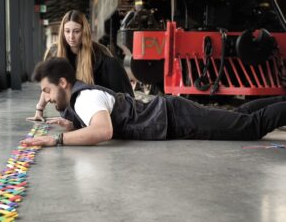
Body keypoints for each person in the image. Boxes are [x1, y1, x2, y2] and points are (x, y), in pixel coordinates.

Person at [21, 58, 286, 147]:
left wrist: (56, 140)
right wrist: (73, 125)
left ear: (64, 83)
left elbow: (103, 131)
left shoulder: (83, 99)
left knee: (249, 127)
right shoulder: (81, 100)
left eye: (47, 90)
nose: (47, 97)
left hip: (175, 118)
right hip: (171, 113)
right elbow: (100, 121)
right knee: (240, 116)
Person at [27, 10, 134, 121]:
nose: (71, 37)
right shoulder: (54, 52)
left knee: (112, 64)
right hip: (71, 109)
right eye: (67, 31)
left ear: (84, 32)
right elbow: (48, 84)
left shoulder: (99, 52)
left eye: (76, 31)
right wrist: (39, 109)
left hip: (97, 103)